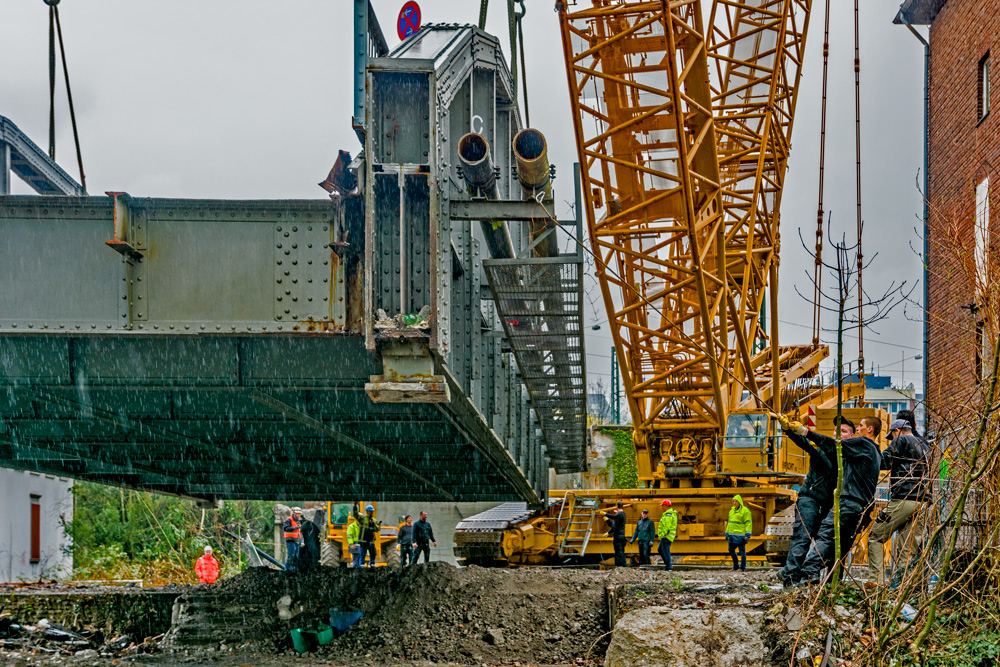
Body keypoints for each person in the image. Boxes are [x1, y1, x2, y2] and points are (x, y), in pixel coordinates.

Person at [797, 415, 883, 584]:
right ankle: (833, 581)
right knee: (842, 545)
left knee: (826, 534)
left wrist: (806, 433)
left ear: (870, 429)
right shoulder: (876, 452)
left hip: (848, 502)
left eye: (860, 425)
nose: (858, 429)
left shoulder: (863, 444)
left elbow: (833, 445)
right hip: (861, 508)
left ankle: (809, 572)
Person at [778, 417, 853, 586]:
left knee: (832, 541)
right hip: (810, 499)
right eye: (836, 430)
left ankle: (830, 581)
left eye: (843, 431)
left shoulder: (851, 455)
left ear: (852, 436)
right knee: (802, 538)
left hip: (830, 505)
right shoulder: (823, 447)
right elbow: (804, 442)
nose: (838, 433)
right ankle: (790, 581)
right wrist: (788, 430)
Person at [869, 418, 931, 586]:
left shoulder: (900, 440)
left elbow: (882, 462)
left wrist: (871, 448)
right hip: (924, 502)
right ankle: (900, 589)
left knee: (875, 537)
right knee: (907, 550)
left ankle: (876, 583)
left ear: (897, 431)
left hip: (904, 499)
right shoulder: (924, 444)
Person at [725, 495, 753, 571]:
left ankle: (742, 567)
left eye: (736, 501)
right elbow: (730, 523)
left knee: (742, 551)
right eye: (733, 501)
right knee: (731, 549)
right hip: (732, 535)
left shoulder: (745, 511)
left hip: (741, 535)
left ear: (739, 502)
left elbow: (748, 523)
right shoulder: (731, 511)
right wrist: (727, 533)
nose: (734, 503)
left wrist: (747, 534)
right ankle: (735, 566)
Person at [353, 503, 381, 568]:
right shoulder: (362, 518)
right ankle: (362, 565)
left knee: (373, 553)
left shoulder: (374, 520)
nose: (372, 512)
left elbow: (377, 529)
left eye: (372, 511)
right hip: (363, 540)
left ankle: (372, 564)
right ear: (367, 511)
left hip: (371, 540)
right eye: (370, 511)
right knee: (363, 554)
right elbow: (355, 514)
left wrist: (373, 524)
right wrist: (355, 506)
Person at [657, 499, 678, 571]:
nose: (662, 507)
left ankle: (668, 567)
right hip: (667, 536)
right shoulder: (669, 514)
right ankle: (667, 564)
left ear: (665, 506)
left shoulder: (668, 515)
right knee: (660, 549)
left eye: (662, 506)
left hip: (667, 536)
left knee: (665, 550)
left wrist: (662, 534)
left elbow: (666, 526)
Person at [605, 501, 627, 567]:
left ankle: (621, 566)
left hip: (618, 536)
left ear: (617, 506)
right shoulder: (621, 515)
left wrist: (608, 533)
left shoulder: (620, 514)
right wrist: (607, 520)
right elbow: (613, 524)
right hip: (621, 535)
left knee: (619, 552)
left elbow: (614, 526)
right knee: (620, 551)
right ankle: (620, 566)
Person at [283, 507, 304, 571]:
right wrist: (295, 528)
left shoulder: (298, 521)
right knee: (291, 556)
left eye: (300, 514)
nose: (299, 515)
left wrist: (302, 541)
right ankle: (287, 569)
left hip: (297, 541)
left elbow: (299, 532)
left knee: (296, 556)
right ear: (294, 513)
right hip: (290, 540)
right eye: (298, 514)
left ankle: (293, 569)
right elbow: (285, 528)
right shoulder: (289, 519)